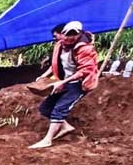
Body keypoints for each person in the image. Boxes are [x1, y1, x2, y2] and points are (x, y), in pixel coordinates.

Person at [29, 20, 98, 149]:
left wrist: (63, 82)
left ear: (79, 34)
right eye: (68, 34)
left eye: (74, 35)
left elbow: (85, 70)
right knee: (45, 108)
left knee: (59, 109)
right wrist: (44, 77)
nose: (70, 37)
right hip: (64, 81)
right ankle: (66, 127)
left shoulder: (85, 48)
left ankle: (47, 140)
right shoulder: (60, 45)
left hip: (78, 84)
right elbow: (55, 63)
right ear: (63, 34)